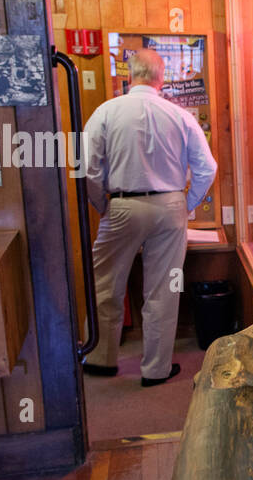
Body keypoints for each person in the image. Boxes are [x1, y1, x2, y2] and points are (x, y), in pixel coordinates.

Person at [81, 48, 217, 385]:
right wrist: (186, 204)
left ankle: (101, 359)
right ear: (161, 78)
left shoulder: (106, 111)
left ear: (130, 76)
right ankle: (155, 370)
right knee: (165, 289)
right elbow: (207, 168)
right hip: (169, 206)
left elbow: (86, 168)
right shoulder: (180, 115)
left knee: (104, 285)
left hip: (123, 204)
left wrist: (103, 204)